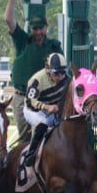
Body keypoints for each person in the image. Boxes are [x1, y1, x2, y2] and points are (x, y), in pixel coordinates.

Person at [6, 0, 63, 141]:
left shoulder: (54, 47)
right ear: (30, 28)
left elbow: (62, 74)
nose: (38, 32)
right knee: (24, 138)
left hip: (44, 99)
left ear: (46, 27)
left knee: (45, 136)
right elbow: (9, 20)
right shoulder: (23, 41)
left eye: (41, 28)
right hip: (21, 96)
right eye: (34, 28)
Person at [19, 52, 70, 183]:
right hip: (33, 110)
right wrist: (46, 107)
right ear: (47, 70)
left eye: (62, 73)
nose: (60, 77)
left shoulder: (66, 79)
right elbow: (30, 102)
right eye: (56, 73)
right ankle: (30, 154)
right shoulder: (37, 79)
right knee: (44, 122)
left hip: (53, 111)